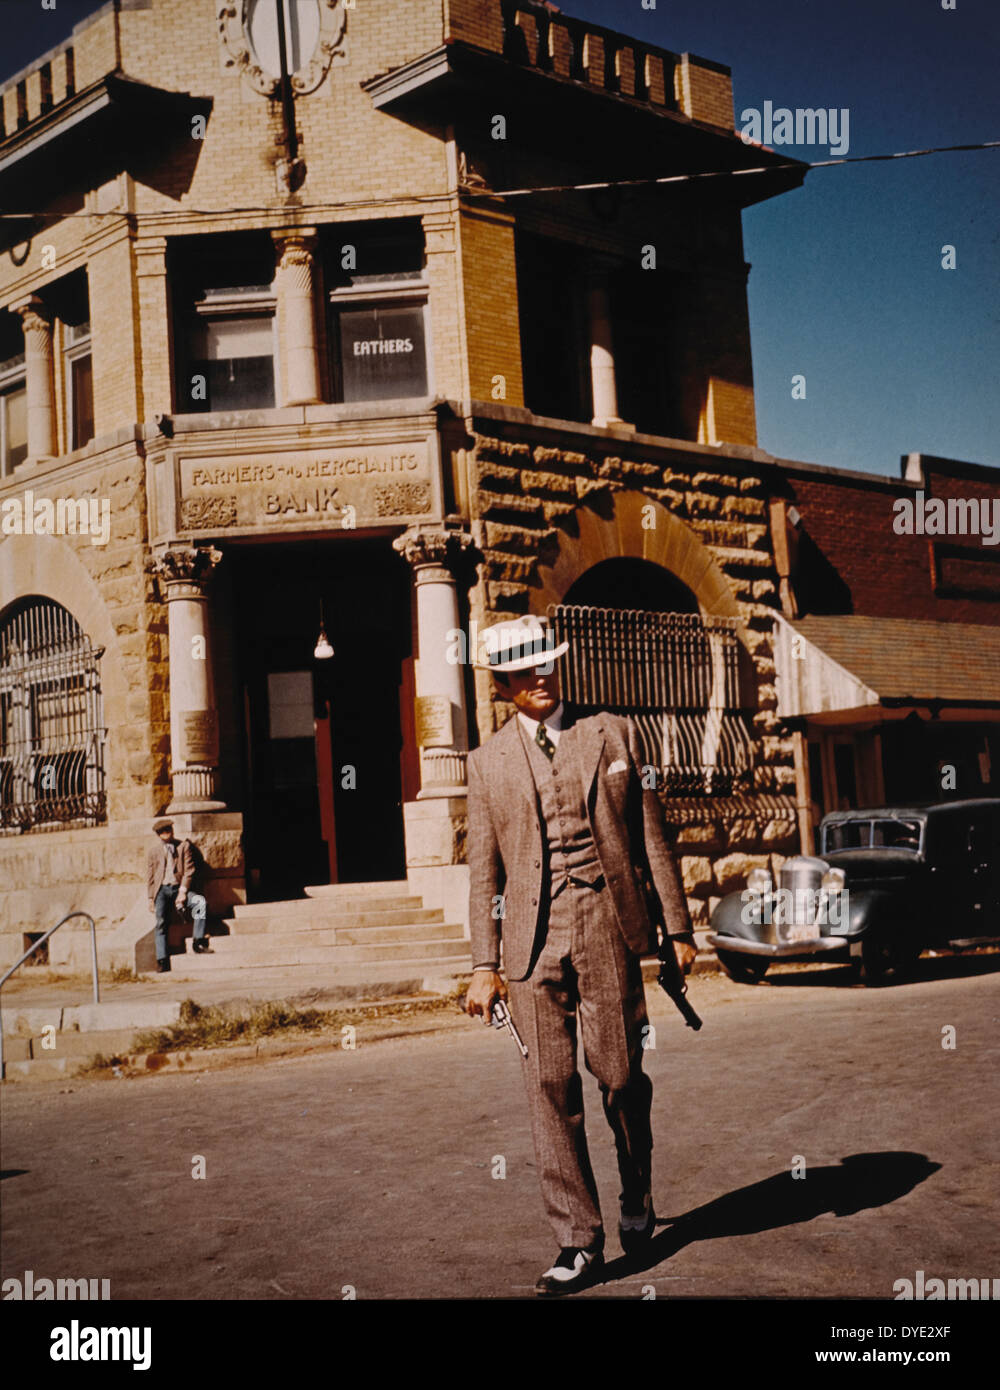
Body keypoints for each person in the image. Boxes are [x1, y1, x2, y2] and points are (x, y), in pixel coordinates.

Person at [464, 615, 697, 1296]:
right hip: (530, 947)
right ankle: (577, 1239)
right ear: (502, 684)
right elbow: (483, 873)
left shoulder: (614, 733)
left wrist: (677, 930)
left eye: (545, 664)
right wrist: (484, 965)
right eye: (522, 670)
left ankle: (638, 1189)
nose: (538, 677)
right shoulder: (486, 764)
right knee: (549, 1088)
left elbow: (653, 839)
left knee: (621, 1077)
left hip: (607, 923)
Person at [147, 818, 209, 972]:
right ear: (158, 835)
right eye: (162, 831)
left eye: (168, 829)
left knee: (200, 903)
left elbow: (189, 871)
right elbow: (150, 876)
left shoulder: (183, 846)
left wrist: (183, 892)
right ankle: (162, 959)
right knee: (161, 922)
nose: (166, 833)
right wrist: (150, 898)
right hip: (161, 890)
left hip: (178, 888)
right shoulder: (153, 852)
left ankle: (198, 941)